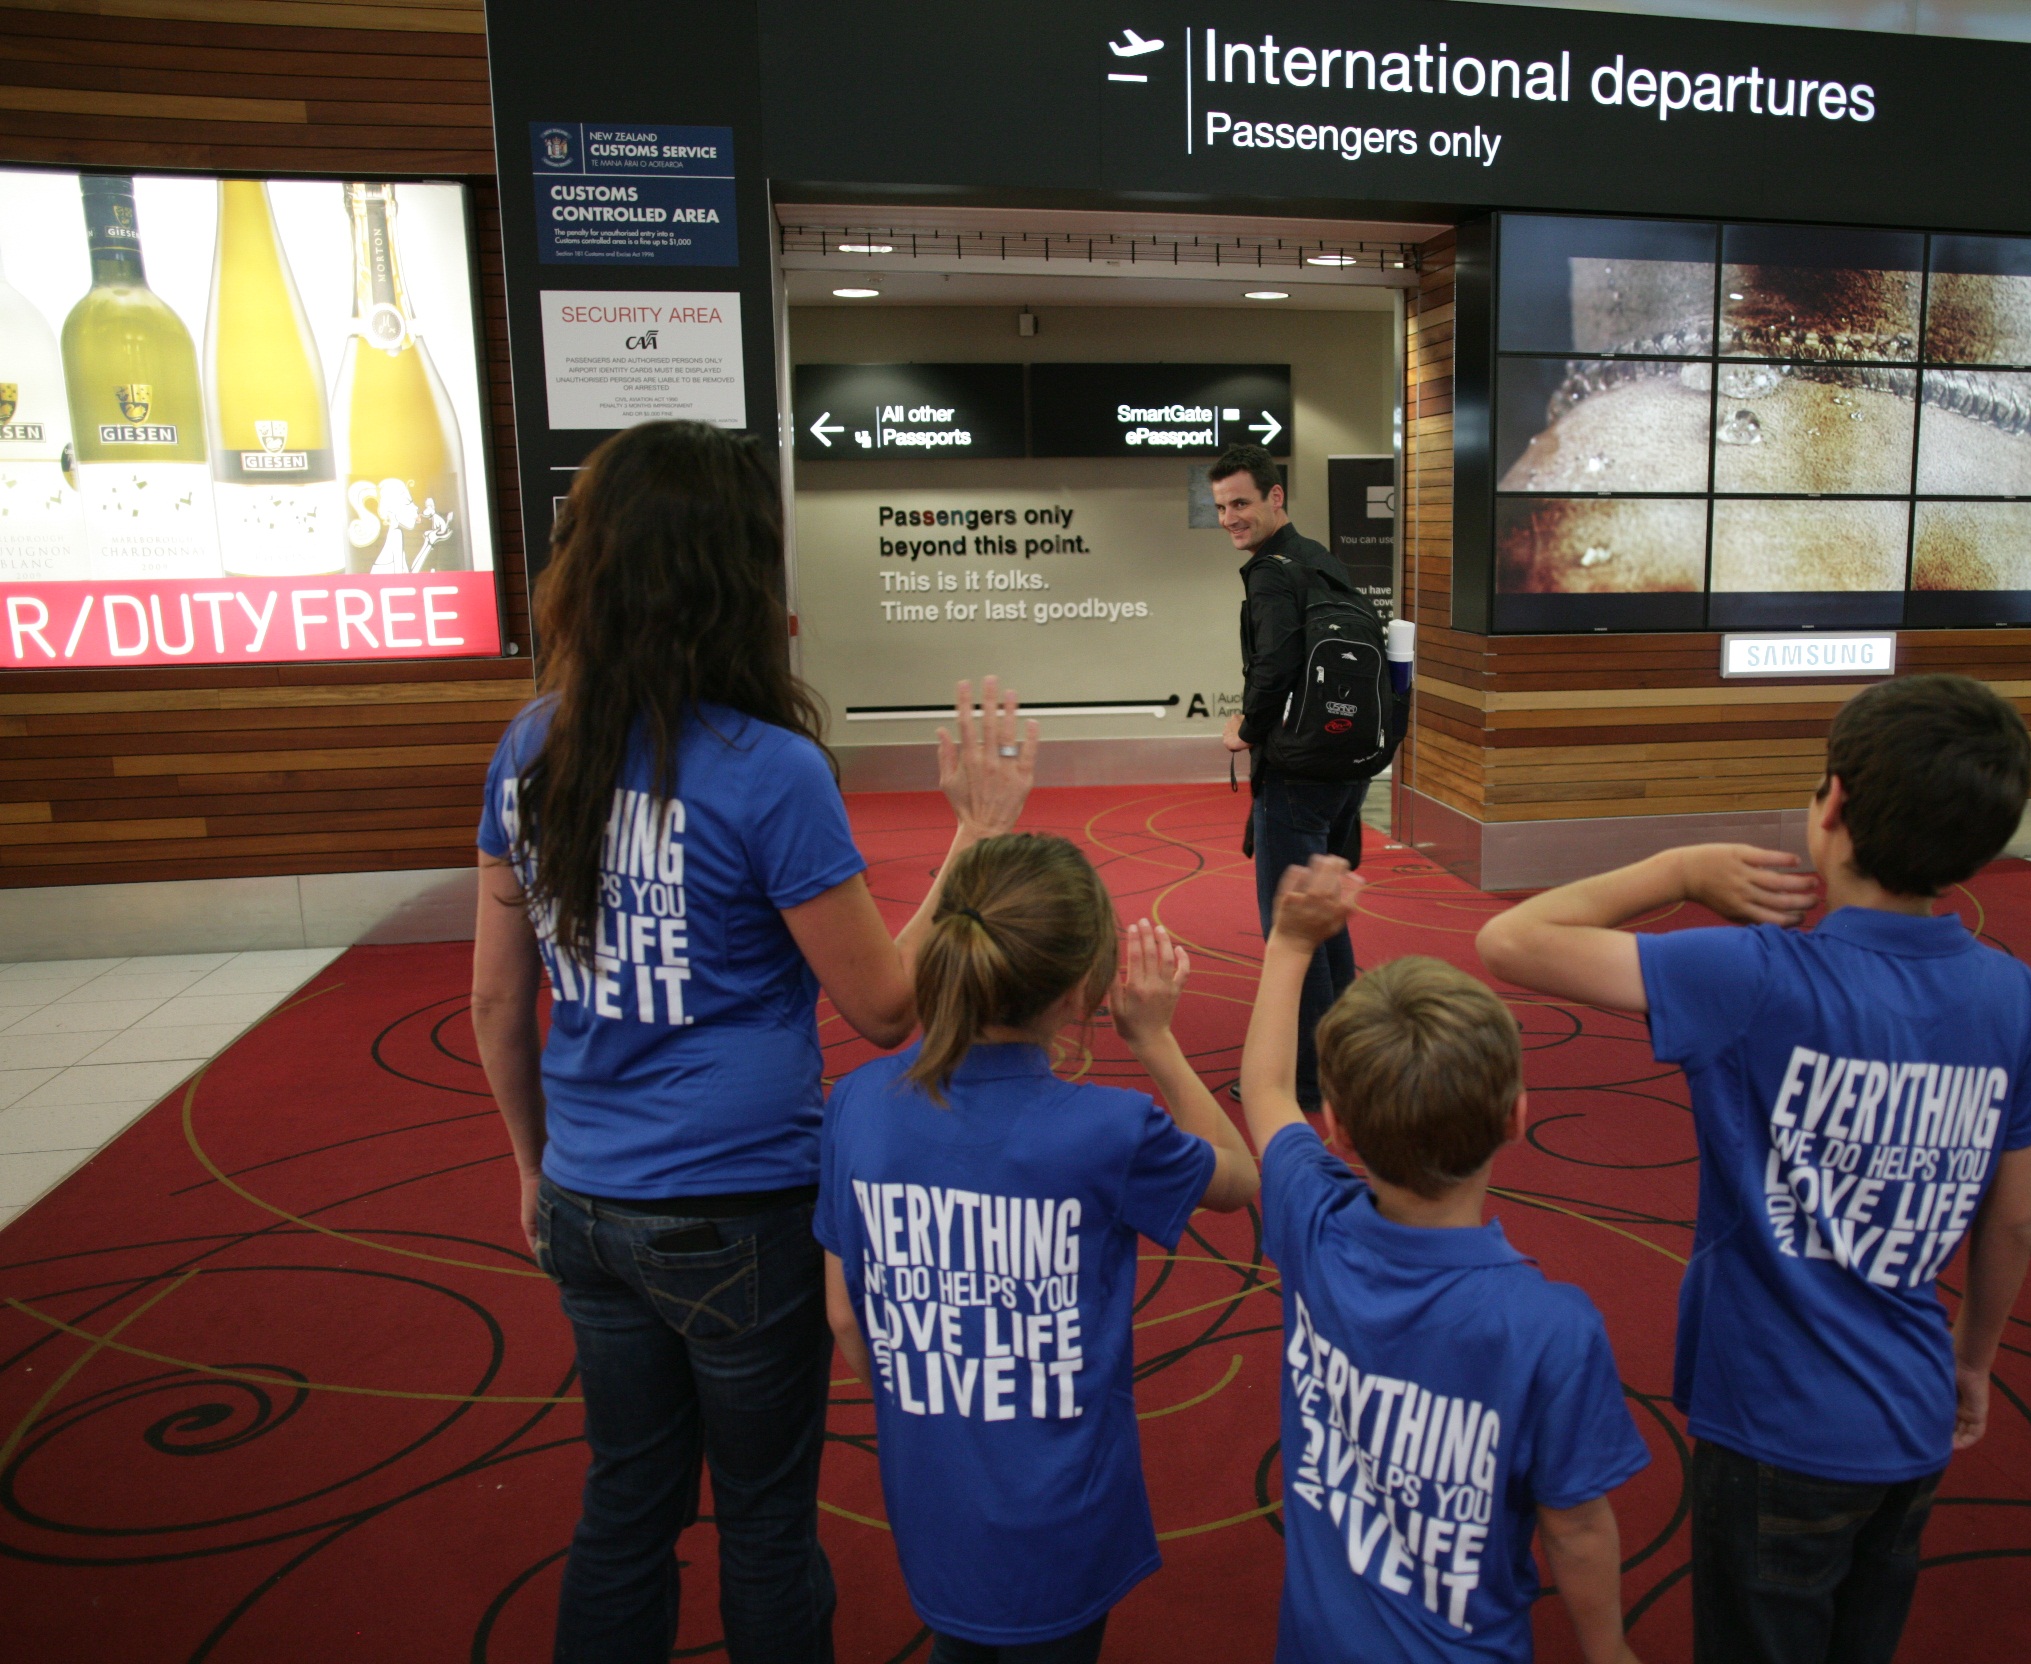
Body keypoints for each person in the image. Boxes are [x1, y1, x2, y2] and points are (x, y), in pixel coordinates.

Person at [470, 418, 1037, 1664]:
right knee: (768, 1518)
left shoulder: (532, 745)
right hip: (736, 1204)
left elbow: (498, 1005)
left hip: (586, 1193)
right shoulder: (767, 768)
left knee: (626, 1502)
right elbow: (886, 1005)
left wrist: (532, 1163)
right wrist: (979, 831)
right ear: (738, 573)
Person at [1475, 674, 2031, 1664]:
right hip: (1912, 1404)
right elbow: (2014, 1219)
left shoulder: (1752, 973)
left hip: (1774, 1417)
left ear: (1831, 805)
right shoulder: (2012, 991)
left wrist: (1682, 866)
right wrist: (1974, 1356)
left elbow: (1510, 940)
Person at [815, 835, 1259, 1664]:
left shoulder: (857, 1103)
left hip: (930, 1497)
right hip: (1063, 1518)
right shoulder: (1109, 1130)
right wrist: (1155, 1038)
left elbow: (846, 1313)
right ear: (1077, 994)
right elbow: (1237, 1178)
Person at [1236, 856, 1651, 1664]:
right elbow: (1577, 1527)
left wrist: (1289, 947)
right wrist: (1608, 1651)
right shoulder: (1551, 1330)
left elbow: (1266, 1090)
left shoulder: (1311, 1221)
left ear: (1342, 1135)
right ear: (1517, 1118)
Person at [1211, 441, 1368, 1111]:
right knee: (1323, 919)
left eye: (1241, 503)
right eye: (1220, 507)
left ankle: (1303, 1077)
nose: (1230, 519)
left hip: (1299, 773)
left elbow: (1273, 666)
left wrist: (1243, 730)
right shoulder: (1324, 563)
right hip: (1346, 768)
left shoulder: (1274, 571)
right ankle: (1346, 1061)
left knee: (1291, 927)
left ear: (1276, 498)